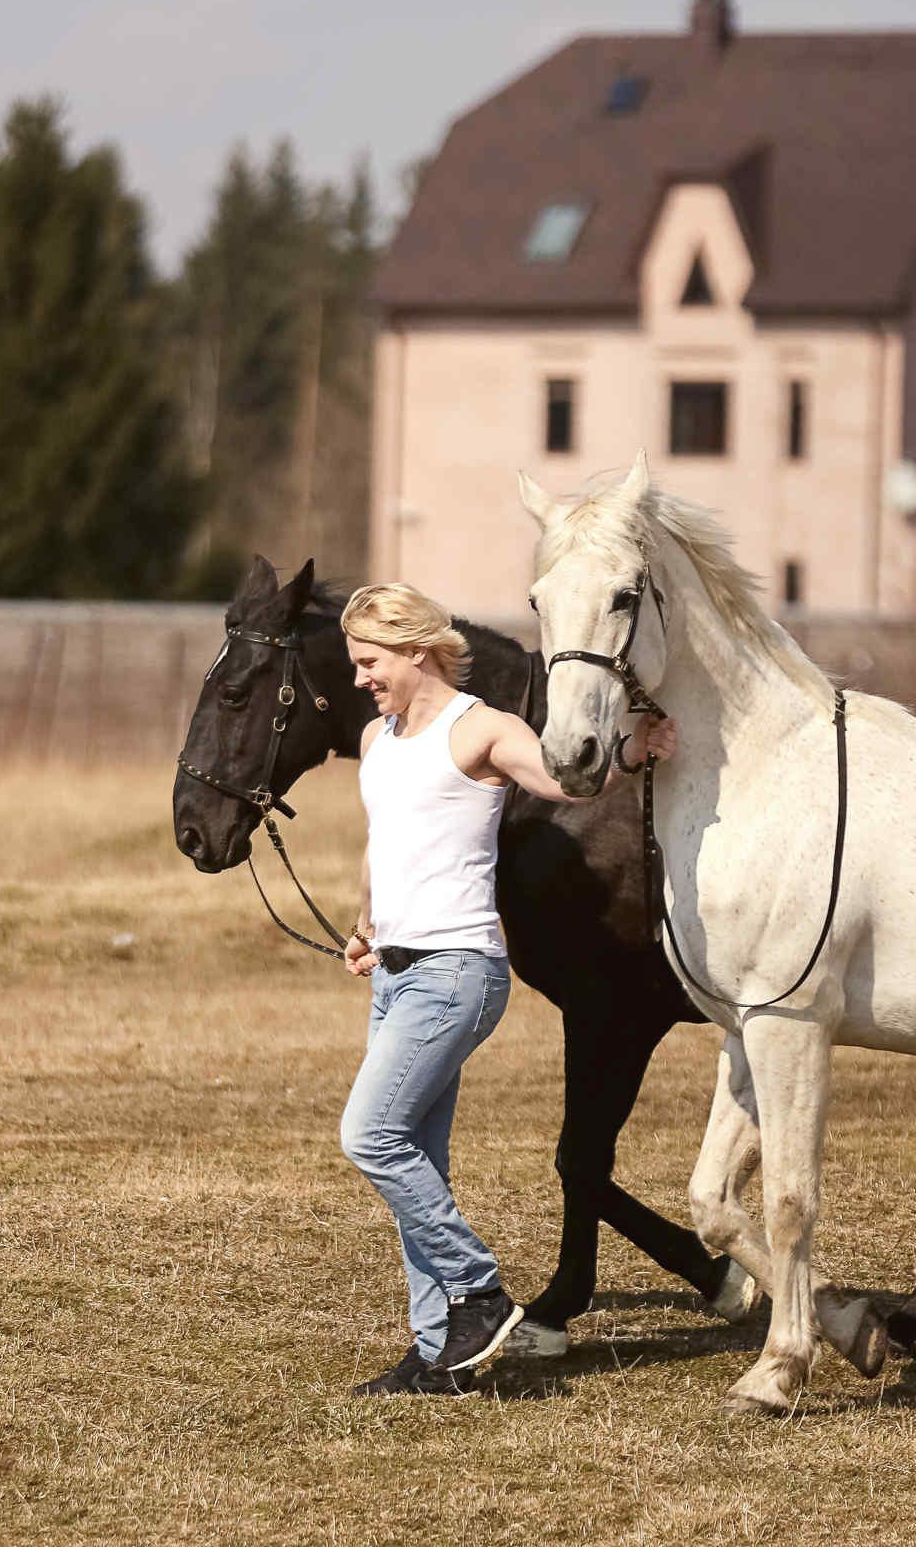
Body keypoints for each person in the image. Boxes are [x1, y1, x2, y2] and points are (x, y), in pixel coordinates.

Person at [335, 582, 675, 1396]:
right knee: (418, 1158)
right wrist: (366, 924)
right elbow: (386, 841)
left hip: (457, 973)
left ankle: (478, 1291)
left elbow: (567, 781)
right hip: (396, 974)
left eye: (370, 661)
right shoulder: (378, 738)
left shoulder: (481, 728)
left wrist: (633, 753)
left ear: (417, 650)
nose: (360, 678)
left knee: (370, 1136)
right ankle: (441, 1353)